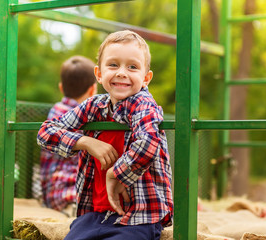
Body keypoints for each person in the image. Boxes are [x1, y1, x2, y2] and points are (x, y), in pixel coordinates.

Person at [37, 30, 173, 240]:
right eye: (113, 65)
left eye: (132, 67)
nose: (121, 72)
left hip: (138, 216)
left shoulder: (143, 105)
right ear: (98, 74)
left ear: (146, 78)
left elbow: (148, 143)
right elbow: (46, 132)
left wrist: (115, 174)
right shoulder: (94, 106)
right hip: (94, 213)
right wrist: (85, 141)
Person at [40, 55, 97, 213]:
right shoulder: (86, 117)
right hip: (71, 193)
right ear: (92, 89)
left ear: (60, 87)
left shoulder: (56, 111)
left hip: (51, 193)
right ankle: (73, 209)